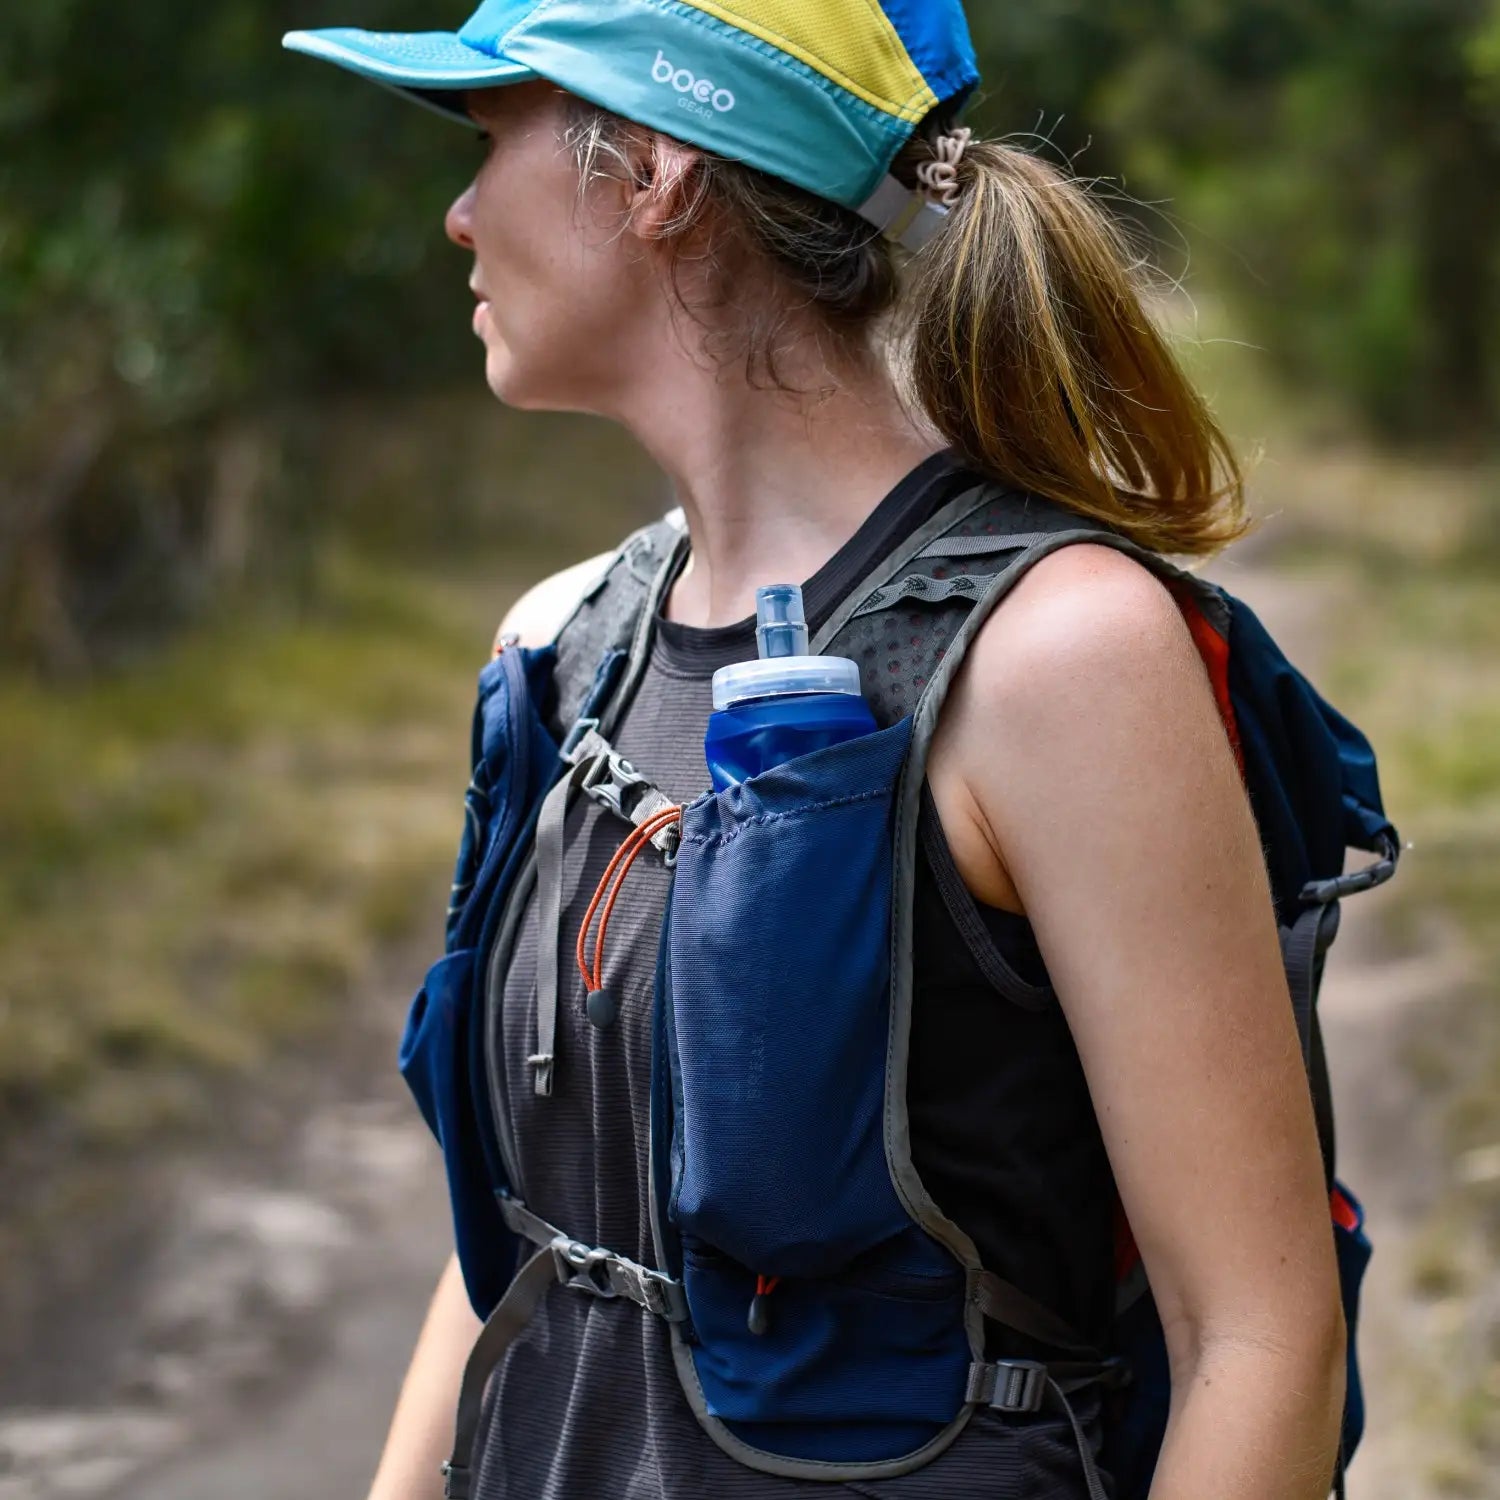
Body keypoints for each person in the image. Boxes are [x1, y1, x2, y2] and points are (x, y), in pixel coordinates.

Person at [284, 4, 1347, 1497]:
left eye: (486, 138)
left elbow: (1257, 1335)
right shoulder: (562, 645)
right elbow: (516, 1245)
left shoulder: (1055, 657)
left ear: (650, 171)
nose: (458, 217)